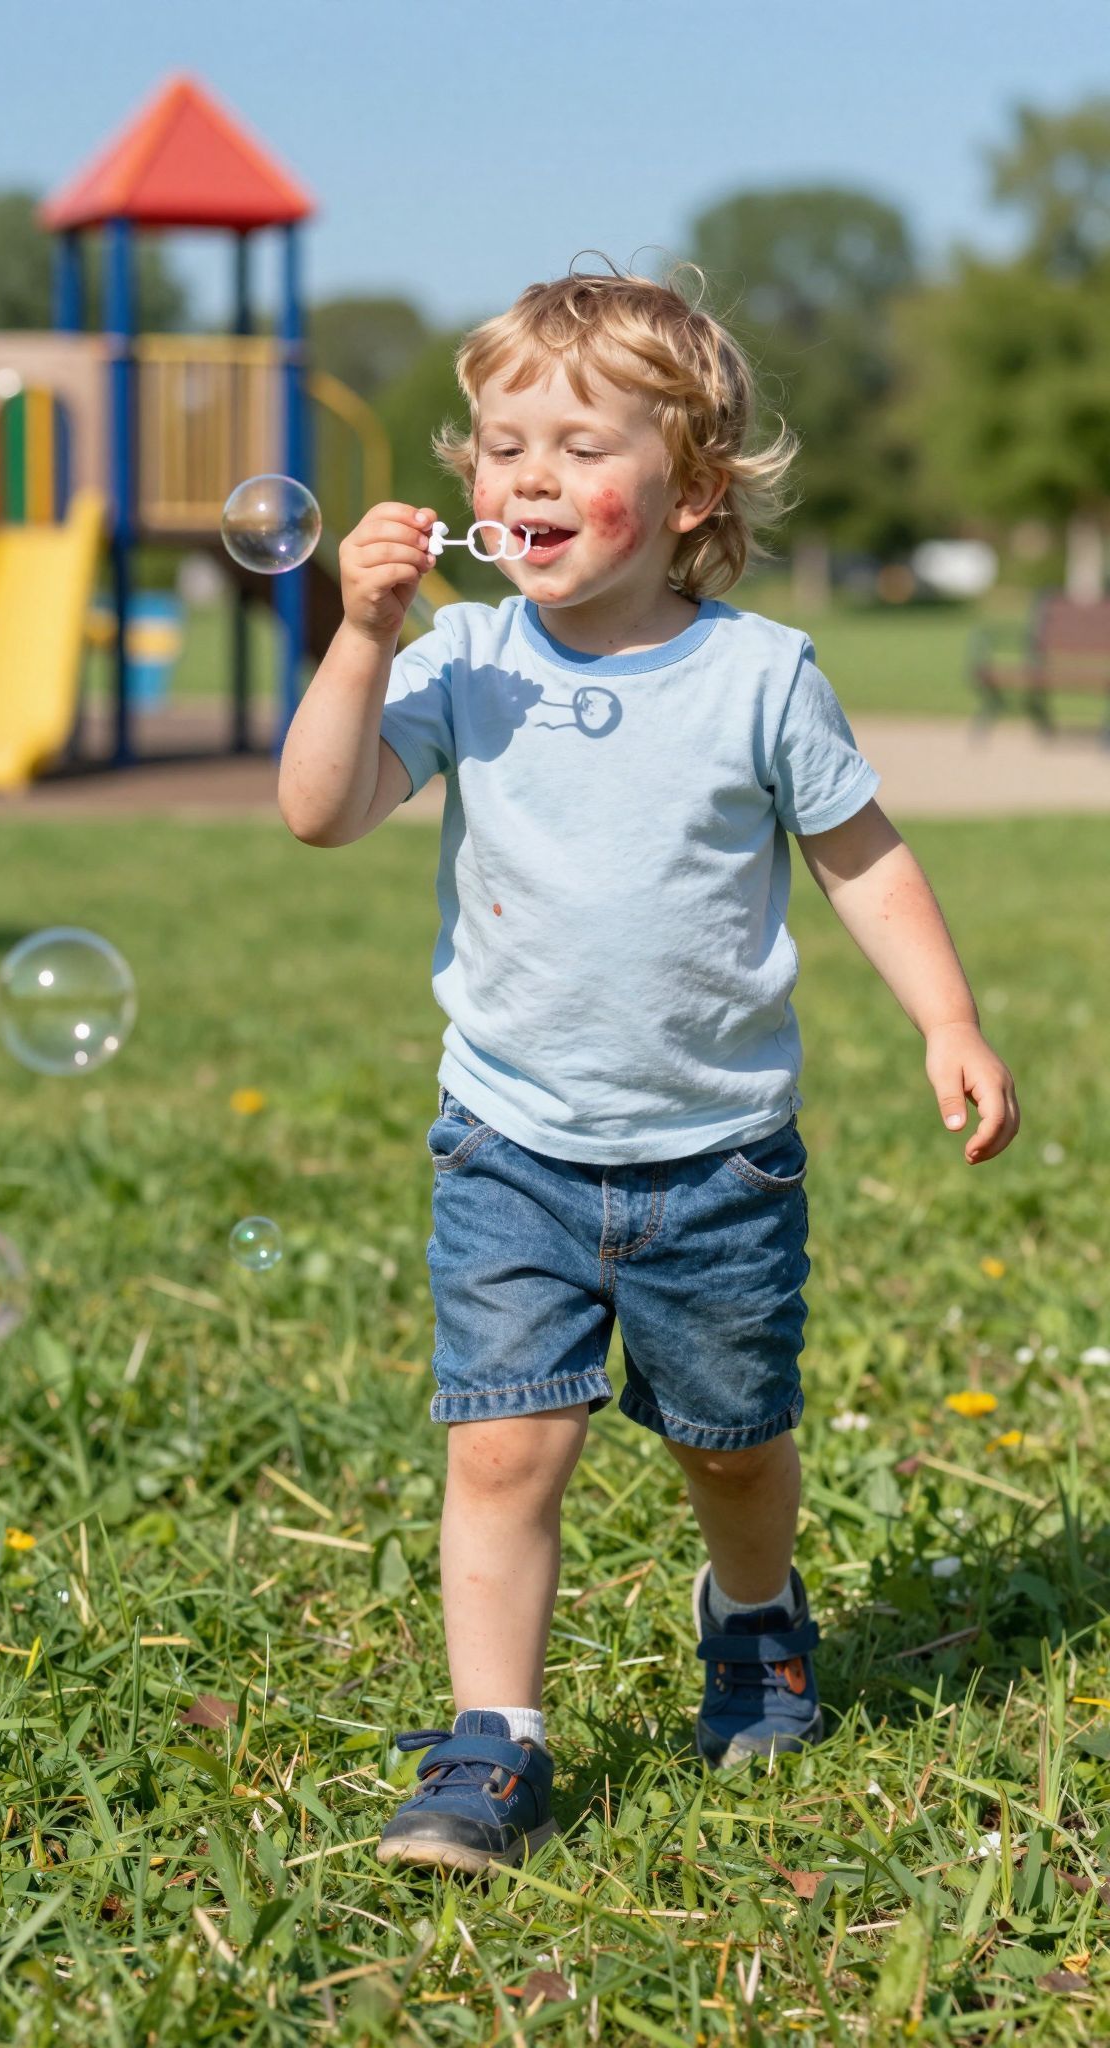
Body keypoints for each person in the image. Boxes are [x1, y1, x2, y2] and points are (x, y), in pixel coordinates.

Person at [277, 264, 1020, 1875]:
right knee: (500, 1443)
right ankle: (495, 1744)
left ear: (688, 491)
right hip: (512, 1148)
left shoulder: (762, 677)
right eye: (497, 445)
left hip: (720, 1159)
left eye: (572, 445)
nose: (523, 477)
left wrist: (945, 1018)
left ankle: (753, 1615)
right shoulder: (464, 660)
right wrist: (360, 637)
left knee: (733, 1445)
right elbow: (321, 808)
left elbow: (865, 861)